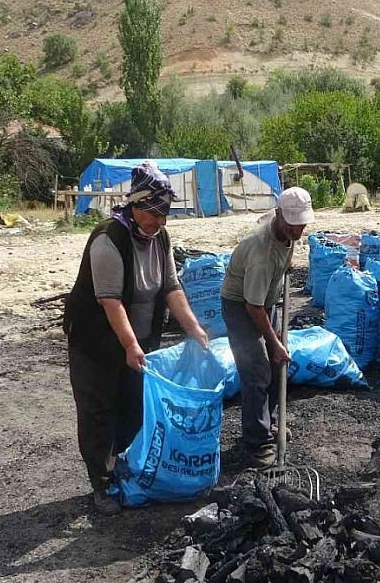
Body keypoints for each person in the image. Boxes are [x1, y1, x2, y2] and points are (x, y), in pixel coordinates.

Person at [62, 161, 209, 516]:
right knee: (99, 412)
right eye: (153, 213)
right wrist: (130, 345)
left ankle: (123, 471)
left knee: (132, 407)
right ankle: (101, 482)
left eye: (165, 214)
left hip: (138, 342)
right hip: (95, 343)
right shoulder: (108, 239)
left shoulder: (160, 239)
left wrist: (195, 329)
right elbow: (110, 300)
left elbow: (172, 287)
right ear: (136, 205)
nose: (159, 221)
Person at [221, 188, 315, 468]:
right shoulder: (261, 251)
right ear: (278, 215)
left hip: (264, 301)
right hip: (241, 306)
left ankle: (267, 422)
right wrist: (273, 343)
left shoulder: (283, 230)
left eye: (302, 224)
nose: (298, 230)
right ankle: (256, 443)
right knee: (257, 372)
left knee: (276, 368)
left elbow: (282, 242)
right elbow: (252, 307)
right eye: (292, 223)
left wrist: (286, 263)